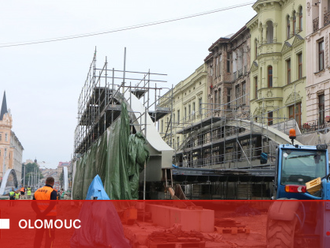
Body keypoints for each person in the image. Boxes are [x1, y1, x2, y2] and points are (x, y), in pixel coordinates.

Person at [32, 177, 57, 248]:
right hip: (50, 217)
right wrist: (44, 213)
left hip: (39, 217)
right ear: (53, 183)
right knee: (50, 235)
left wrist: (40, 213)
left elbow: (33, 204)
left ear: (45, 182)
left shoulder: (37, 191)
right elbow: (52, 204)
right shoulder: (52, 191)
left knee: (38, 235)